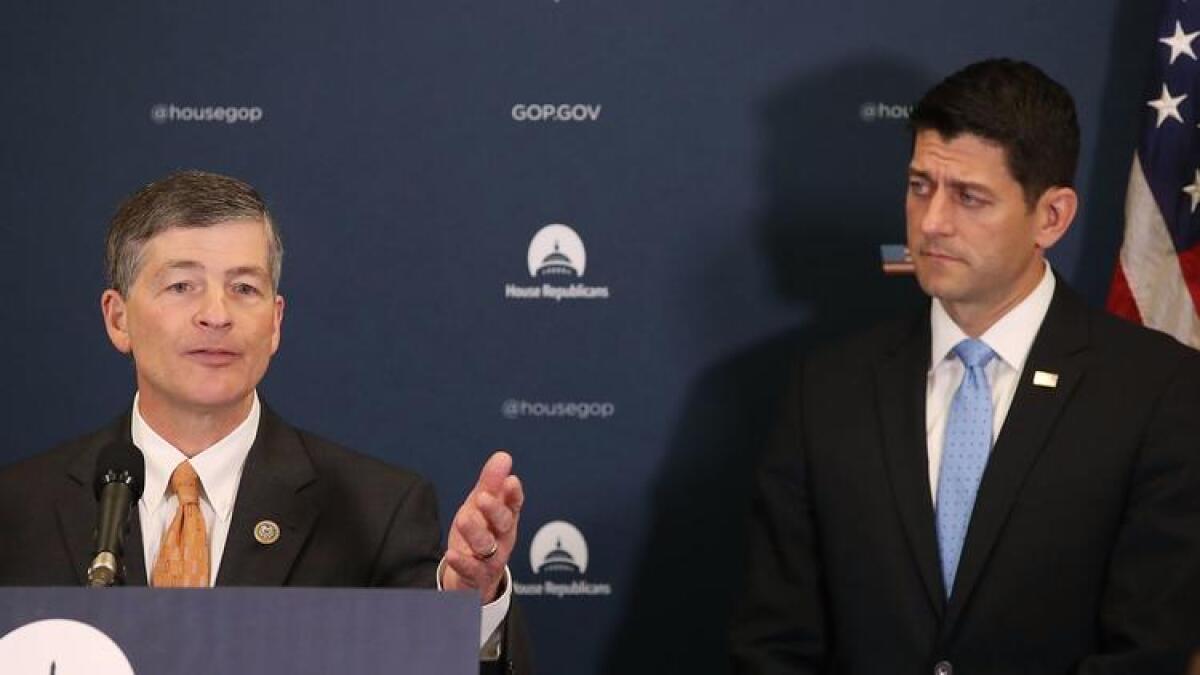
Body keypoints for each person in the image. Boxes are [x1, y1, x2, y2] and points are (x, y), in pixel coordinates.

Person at [731, 59, 1200, 674]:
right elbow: (773, 645)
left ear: (1051, 217)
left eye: (969, 197)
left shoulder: (1161, 392)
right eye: (920, 185)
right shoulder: (824, 390)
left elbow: (1148, 652)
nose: (930, 223)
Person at [0, 170, 530, 673]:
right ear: (118, 319)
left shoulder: (376, 511)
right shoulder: (18, 509)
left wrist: (466, 610)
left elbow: (434, 661)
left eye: (244, 288)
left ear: (275, 323)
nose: (217, 314)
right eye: (182, 286)